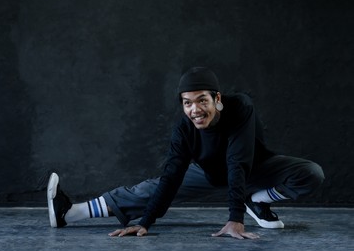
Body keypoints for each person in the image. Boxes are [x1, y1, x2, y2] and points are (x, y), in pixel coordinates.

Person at [47, 67, 325, 240]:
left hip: (257, 169)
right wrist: (145, 223)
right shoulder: (184, 130)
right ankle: (70, 214)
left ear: (217, 99)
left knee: (310, 173)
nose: (195, 110)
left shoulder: (240, 107)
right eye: (188, 103)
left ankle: (257, 199)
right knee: (151, 189)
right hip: (211, 175)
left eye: (202, 100)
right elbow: (171, 178)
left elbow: (238, 161)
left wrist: (235, 218)